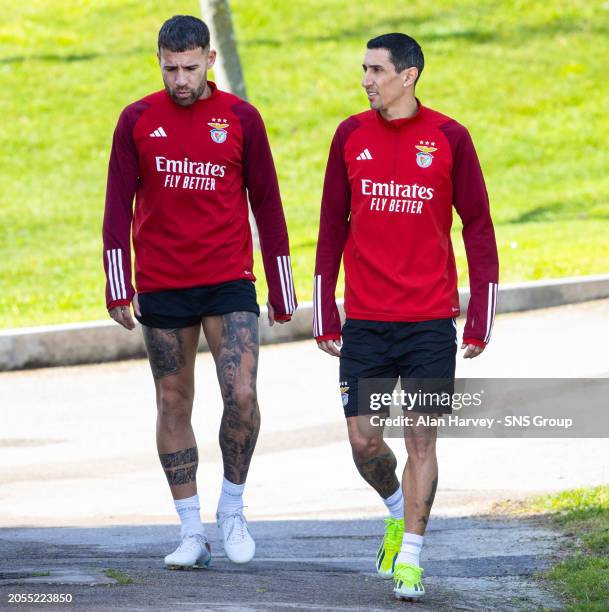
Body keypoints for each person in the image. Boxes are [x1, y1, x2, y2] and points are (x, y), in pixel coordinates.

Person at [102, 15, 296, 570]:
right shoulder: (137, 120)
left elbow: (268, 204)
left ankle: (232, 507)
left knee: (241, 395)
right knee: (171, 401)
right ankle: (191, 532)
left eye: (190, 68)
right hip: (163, 283)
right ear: (159, 62)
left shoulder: (240, 118)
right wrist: (119, 283)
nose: (180, 79)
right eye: (170, 69)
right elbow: (118, 207)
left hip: (228, 279)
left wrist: (282, 286)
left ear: (210, 60)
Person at [313, 33, 498, 601]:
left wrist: (479, 316)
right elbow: (330, 225)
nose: (366, 79)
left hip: (428, 323)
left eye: (376, 70)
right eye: (364, 69)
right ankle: (396, 508)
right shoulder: (350, 135)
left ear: (408, 75)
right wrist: (325, 310)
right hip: (367, 319)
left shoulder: (449, 138)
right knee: (365, 441)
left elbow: (478, 225)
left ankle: (412, 557)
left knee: (421, 438)